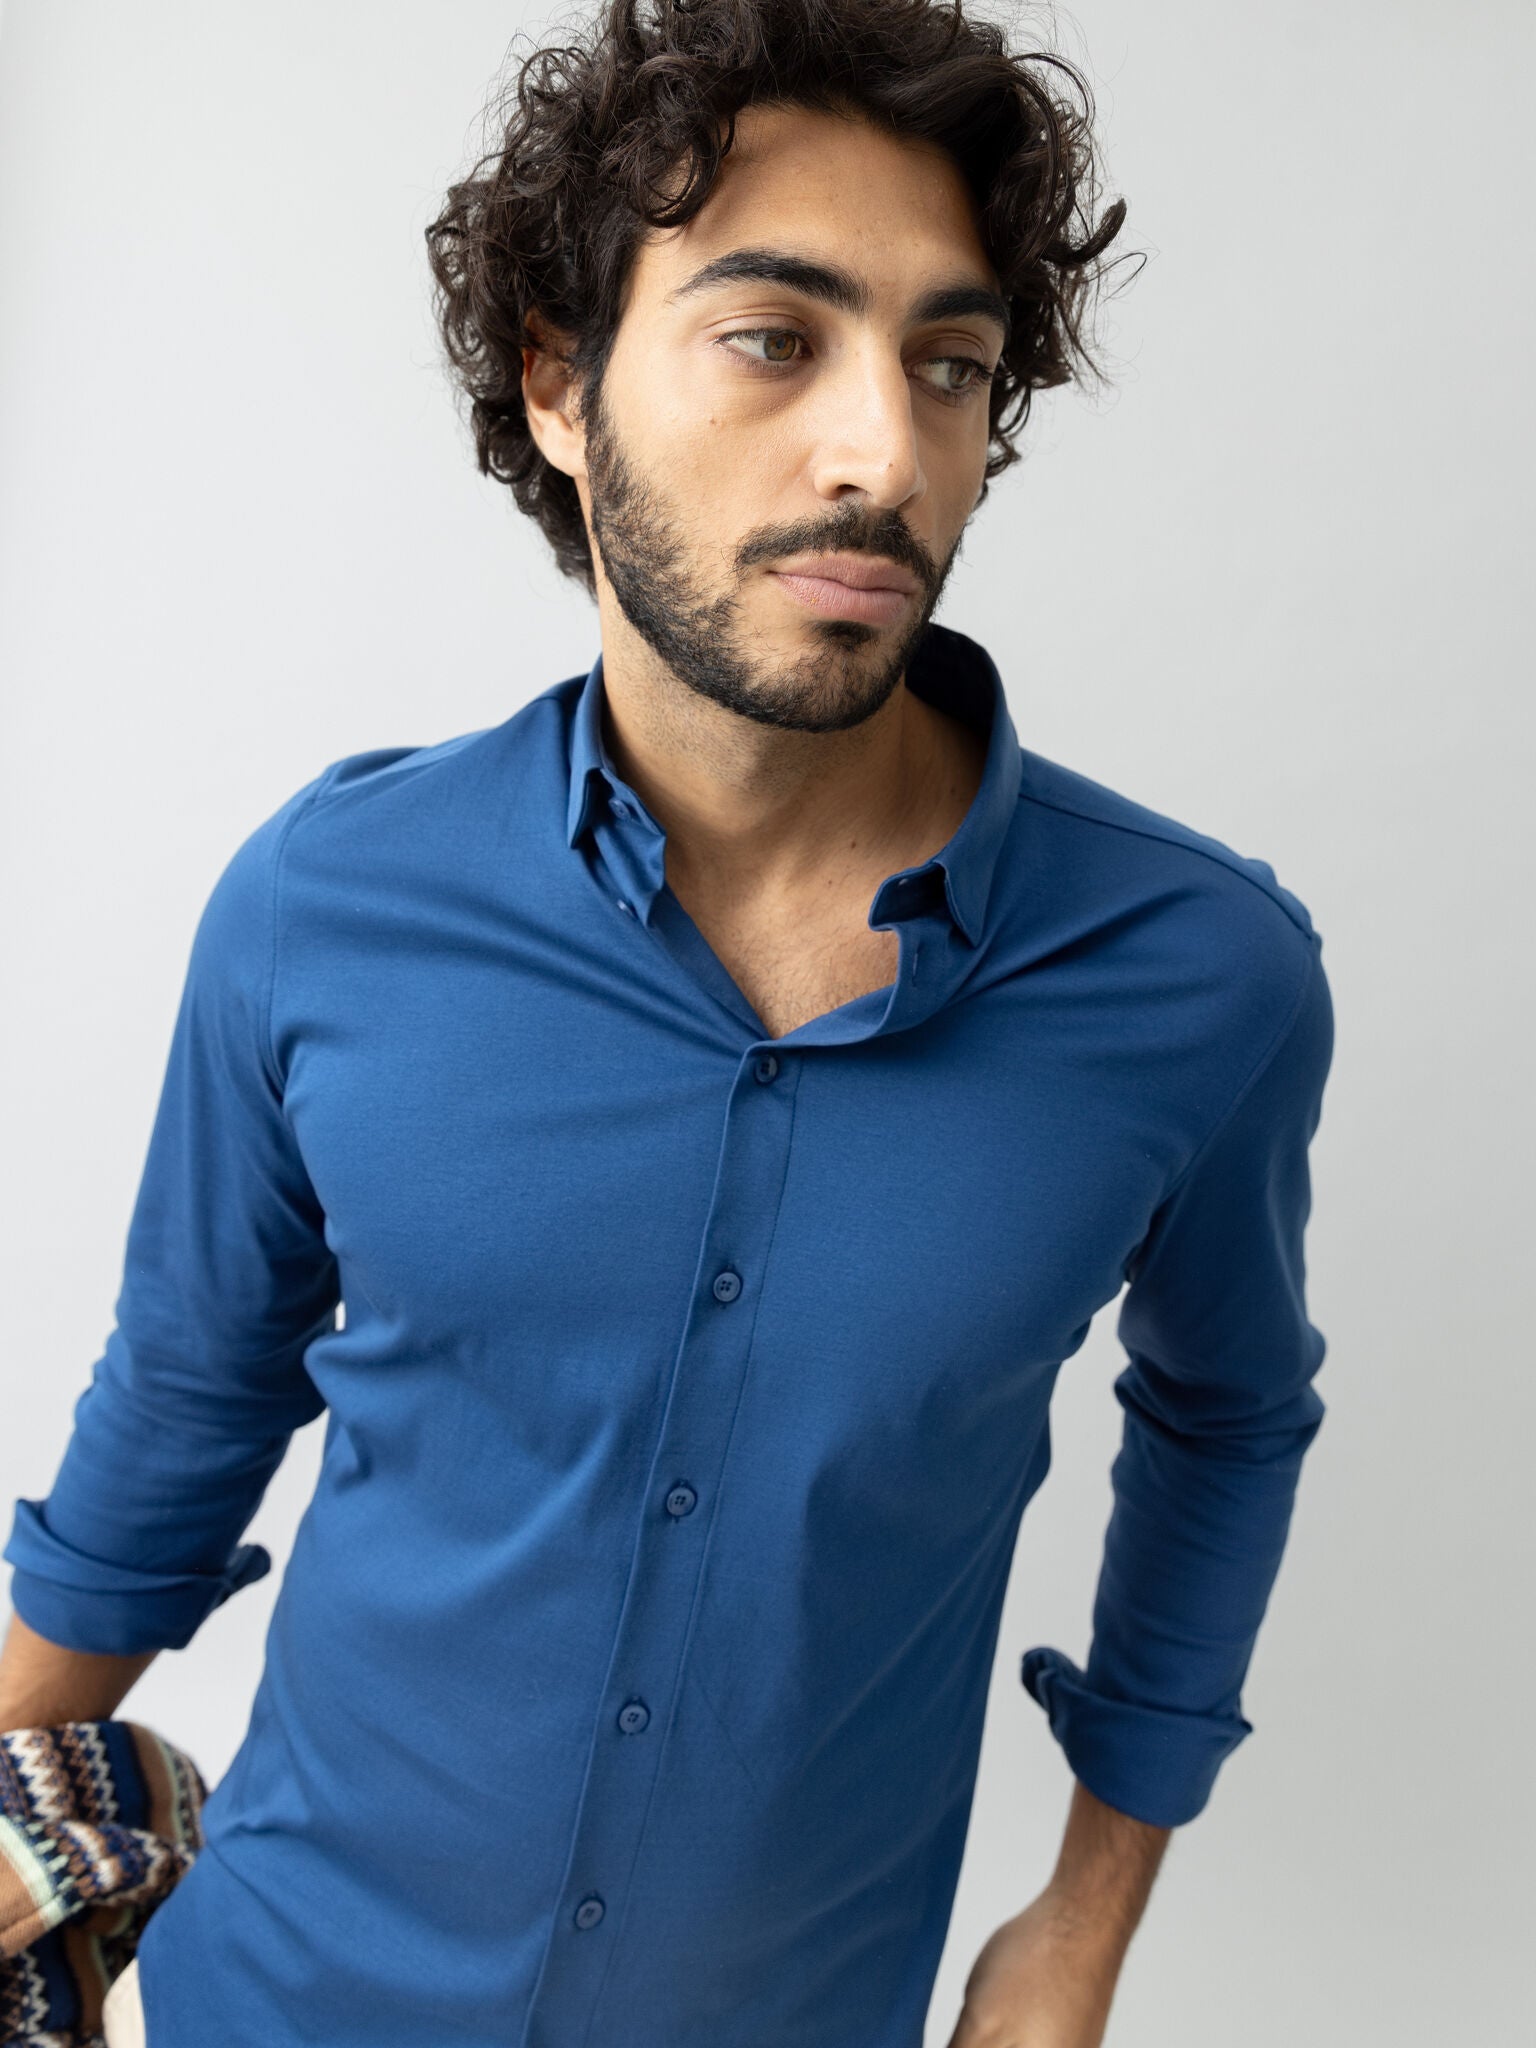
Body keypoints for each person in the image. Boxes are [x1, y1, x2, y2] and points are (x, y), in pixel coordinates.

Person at [0, 3, 1335, 2044]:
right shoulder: (322, 907)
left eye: (950, 364)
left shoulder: (1199, 977)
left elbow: (1227, 1416)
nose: (884, 452)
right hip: (265, 1997)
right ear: (560, 382)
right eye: (775, 337)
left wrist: (1083, 1924)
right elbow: (175, 1426)